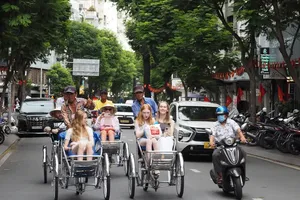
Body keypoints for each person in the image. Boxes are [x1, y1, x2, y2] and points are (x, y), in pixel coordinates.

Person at [209, 106, 247, 183]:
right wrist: (211, 142)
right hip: (220, 146)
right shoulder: (214, 125)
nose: (220, 116)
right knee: (215, 155)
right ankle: (220, 175)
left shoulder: (231, 122)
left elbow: (238, 130)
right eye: (219, 115)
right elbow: (212, 134)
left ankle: (243, 173)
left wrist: (242, 137)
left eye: (222, 114)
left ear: (226, 115)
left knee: (243, 152)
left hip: (233, 145)